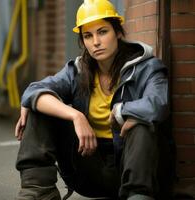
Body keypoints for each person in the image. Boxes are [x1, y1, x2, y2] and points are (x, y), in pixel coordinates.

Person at [15, 0, 174, 199]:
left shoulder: (147, 67)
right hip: (88, 169)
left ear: (117, 32)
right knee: (40, 106)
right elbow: (34, 90)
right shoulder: (78, 71)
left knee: (140, 123)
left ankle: (138, 196)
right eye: (88, 36)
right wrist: (76, 116)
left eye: (102, 32)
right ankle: (38, 192)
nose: (95, 42)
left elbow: (158, 104)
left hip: (134, 170)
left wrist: (121, 112)